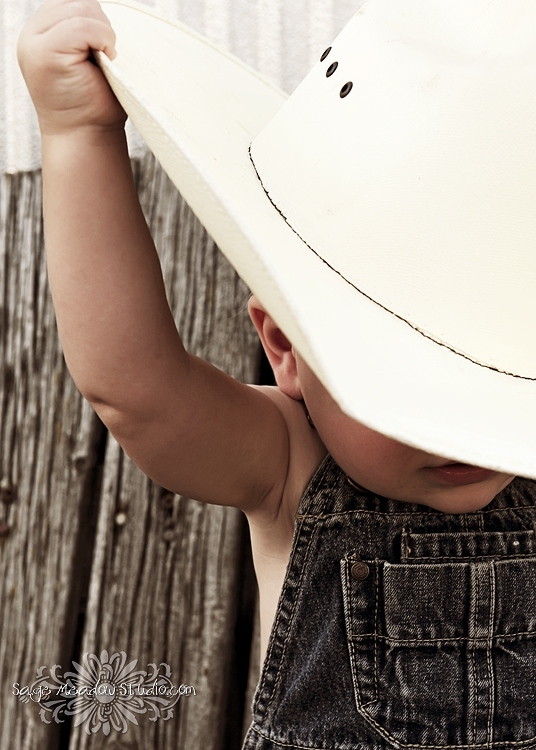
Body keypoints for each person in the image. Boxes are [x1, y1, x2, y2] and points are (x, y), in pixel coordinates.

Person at [17, 1, 536, 748]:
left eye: (501, 377)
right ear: (286, 348)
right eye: (401, 382)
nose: (459, 431)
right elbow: (138, 393)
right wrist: (78, 135)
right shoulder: (289, 464)